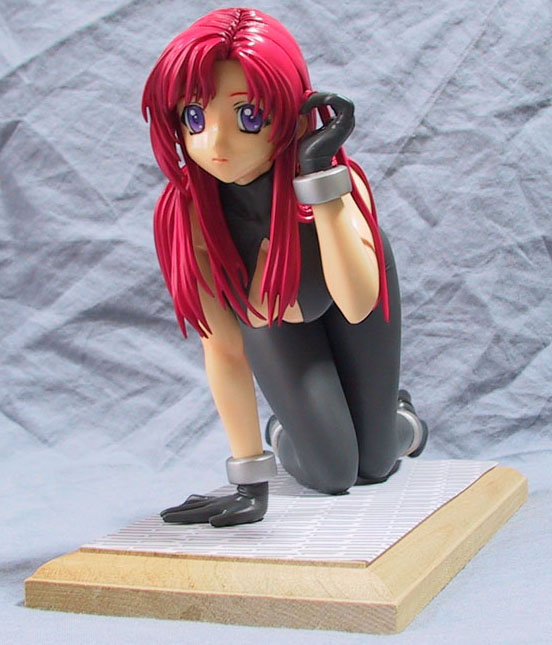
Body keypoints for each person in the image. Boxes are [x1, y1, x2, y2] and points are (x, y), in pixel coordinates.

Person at [142, 7, 428, 528]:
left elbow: (358, 303)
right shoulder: (191, 214)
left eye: (248, 117)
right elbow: (223, 349)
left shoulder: (338, 182)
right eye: (194, 118)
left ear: (293, 116)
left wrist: (318, 178)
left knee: (377, 462)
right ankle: (286, 429)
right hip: (271, 319)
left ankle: (399, 421)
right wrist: (249, 479)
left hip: (352, 290)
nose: (216, 144)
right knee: (333, 472)